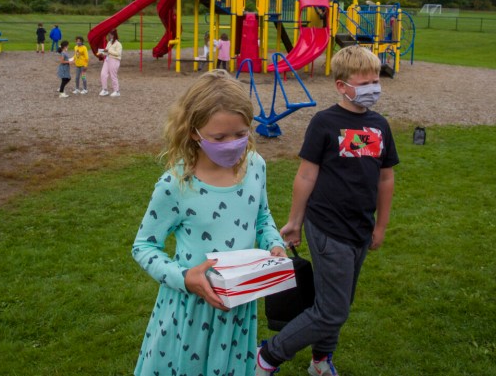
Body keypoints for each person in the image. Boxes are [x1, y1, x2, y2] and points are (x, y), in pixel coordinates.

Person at [256, 45, 400, 376]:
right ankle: (267, 356)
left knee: (337, 304)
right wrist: (295, 221)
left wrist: (381, 226)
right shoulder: (324, 122)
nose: (373, 88)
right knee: (333, 311)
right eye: (364, 82)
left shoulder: (380, 126)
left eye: (376, 80)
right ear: (342, 86)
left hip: (360, 229)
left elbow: (386, 178)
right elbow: (306, 174)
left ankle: (321, 360)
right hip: (327, 228)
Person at [132, 69, 286, 376]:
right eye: (219, 137)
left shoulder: (256, 166)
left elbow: (262, 216)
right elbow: (144, 247)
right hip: (191, 312)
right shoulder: (176, 184)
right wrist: (184, 277)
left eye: (241, 134)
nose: (232, 143)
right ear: (194, 132)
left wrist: (274, 243)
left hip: (240, 307)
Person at [98, 30, 122, 97]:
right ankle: (105, 89)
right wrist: (102, 54)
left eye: (110, 35)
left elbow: (118, 54)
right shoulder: (109, 43)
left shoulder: (118, 44)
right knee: (103, 74)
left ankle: (116, 91)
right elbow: (106, 52)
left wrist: (108, 51)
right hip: (107, 60)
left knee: (113, 75)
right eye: (108, 35)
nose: (109, 36)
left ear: (114, 35)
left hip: (114, 60)